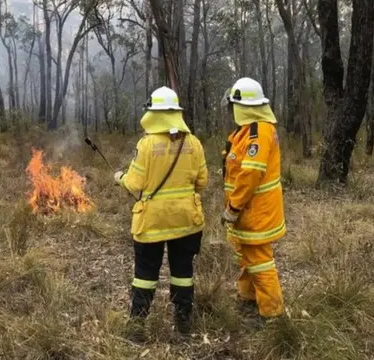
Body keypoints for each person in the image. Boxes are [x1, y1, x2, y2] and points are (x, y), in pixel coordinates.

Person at [114, 86, 208, 340]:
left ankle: (136, 327)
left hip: (152, 223)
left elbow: (134, 184)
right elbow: (202, 182)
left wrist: (120, 178)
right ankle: (183, 324)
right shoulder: (194, 143)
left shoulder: (146, 144)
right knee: (183, 272)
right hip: (187, 221)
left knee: (145, 275)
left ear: (154, 114)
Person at [220, 77, 286, 324]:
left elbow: (250, 174)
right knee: (246, 255)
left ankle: (272, 313)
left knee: (259, 260)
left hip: (255, 211)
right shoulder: (244, 131)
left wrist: (233, 207)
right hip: (247, 210)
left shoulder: (260, 132)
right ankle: (248, 297)